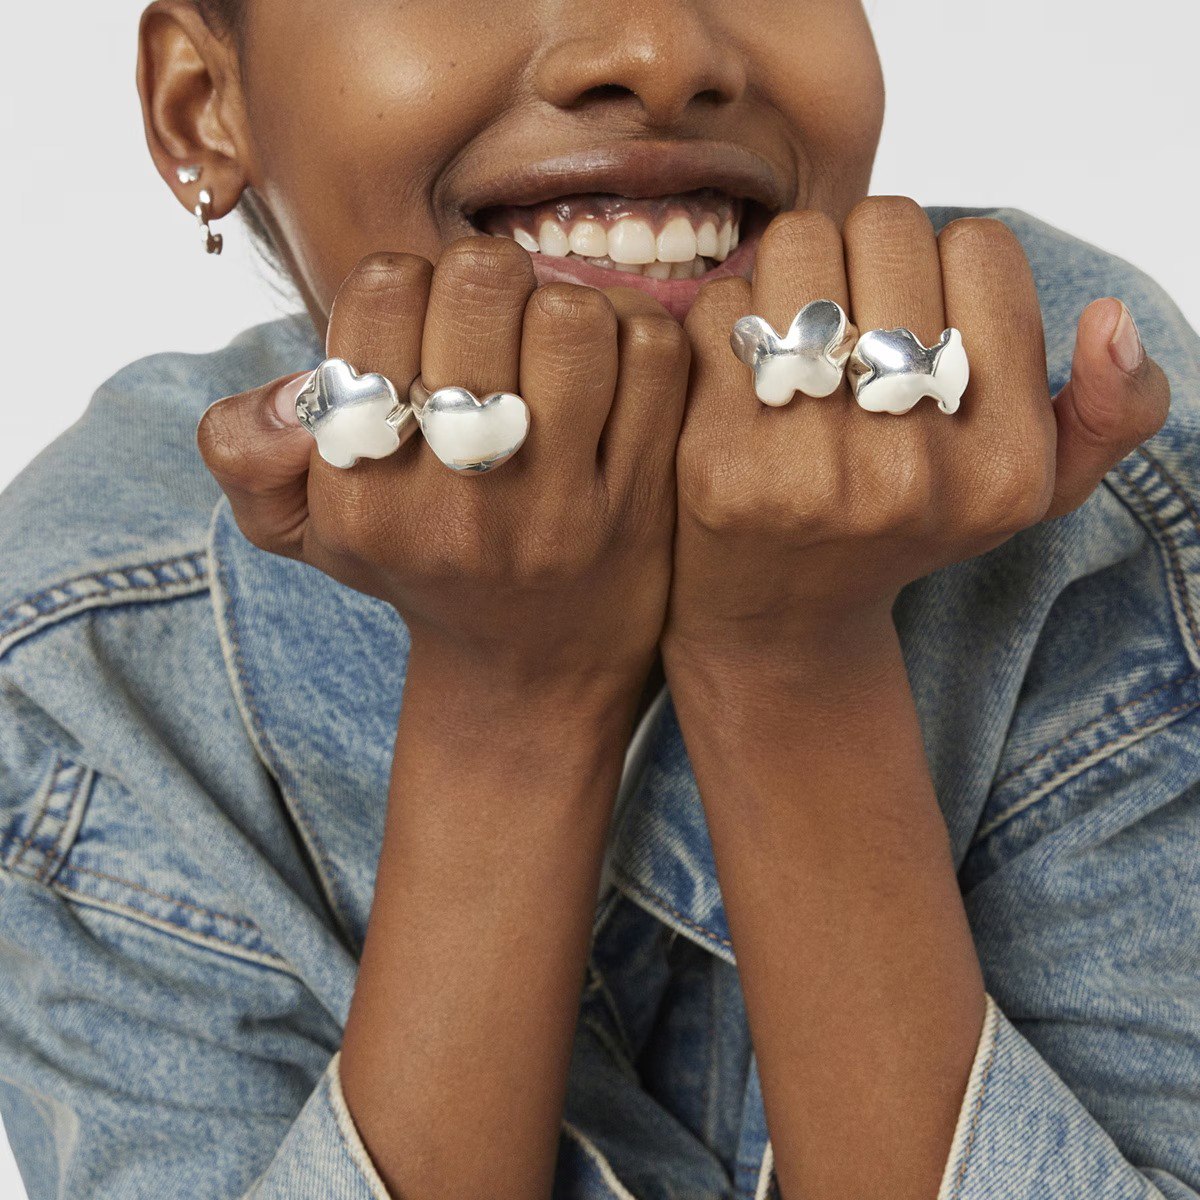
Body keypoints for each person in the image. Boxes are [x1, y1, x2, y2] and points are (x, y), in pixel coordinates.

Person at [0, 0, 1196, 1196]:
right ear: (202, 109)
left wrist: (792, 662)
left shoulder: (1089, 464)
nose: (663, 54)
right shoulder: (84, 658)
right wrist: (510, 696)